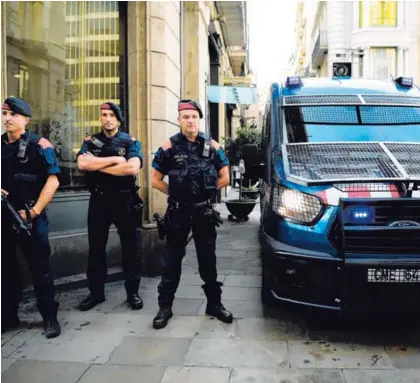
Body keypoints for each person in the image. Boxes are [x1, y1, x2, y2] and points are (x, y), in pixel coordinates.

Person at [151, 99, 233, 329]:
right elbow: (155, 180)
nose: (190, 121)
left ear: (199, 119)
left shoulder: (213, 146)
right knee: (172, 260)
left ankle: (214, 304)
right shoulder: (168, 147)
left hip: (203, 212)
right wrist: (176, 194)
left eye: (194, 117)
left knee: (208, 259)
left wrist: (205, 193)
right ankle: (164, 307)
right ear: (179, 120)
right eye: (185, 117)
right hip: (178, 212)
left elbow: (225, 177)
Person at [1, 97, 61, 338]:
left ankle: (49, 317)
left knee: (40, 269)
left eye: (12, 114)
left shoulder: (40, 145)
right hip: (4, 216)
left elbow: (53, 179)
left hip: (30, 216)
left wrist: (34, 211)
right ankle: (8, 316)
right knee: (5, 268)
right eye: (4, 114)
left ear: (26, 119)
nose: (7, 118)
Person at [76, 102, 144, 311]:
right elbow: (82, 164)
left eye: (111, 115)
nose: (107, 119)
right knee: (96, 249)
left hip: (125, 200)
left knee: (130, 248)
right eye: (103, 115)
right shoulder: (91, 141)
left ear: (118, 119)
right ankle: (96, 293)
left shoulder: (130, 141)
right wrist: (115, 160)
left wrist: (97, 165)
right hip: (99, 200)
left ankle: (132, 292)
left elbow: (132, 168)